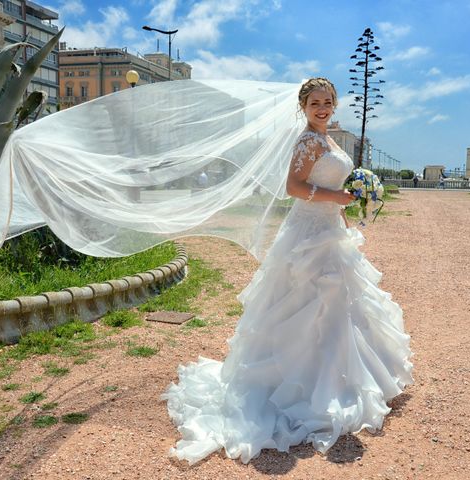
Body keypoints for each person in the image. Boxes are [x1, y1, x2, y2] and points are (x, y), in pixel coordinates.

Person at [162, 78, 414, 465]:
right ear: (303, 106)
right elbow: (294, 187)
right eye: (315, 102)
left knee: (342, 303)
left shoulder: (328, 140)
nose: (323, 107)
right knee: (306, 301)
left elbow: (322, 180)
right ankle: (303, 385)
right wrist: (339, 197)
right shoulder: (308, 141)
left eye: (328, 101)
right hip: (308, 231)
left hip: (331, 228)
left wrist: (351, 197)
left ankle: (344, 379)